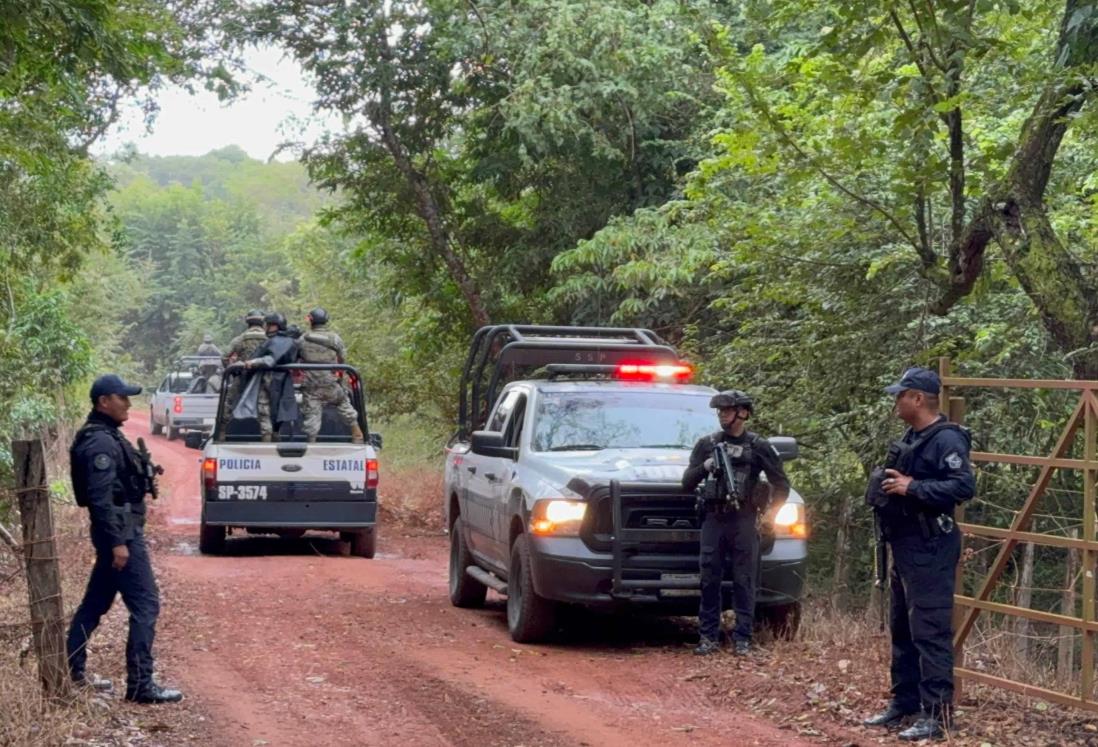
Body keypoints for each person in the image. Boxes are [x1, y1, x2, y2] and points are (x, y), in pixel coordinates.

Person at [862, 367, 975, 741]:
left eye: (901, 395)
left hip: (931, 546)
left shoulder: (947, 440)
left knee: (930, 631)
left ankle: (937, 715)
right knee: (903, 628)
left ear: (918, 399)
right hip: (906, 544)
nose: (896, 402)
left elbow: (962, 486)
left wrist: (913, 487)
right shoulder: (913, 436)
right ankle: (905, 702)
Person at [66, 375, 183, 703]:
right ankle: (141, 685)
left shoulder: (106, 435)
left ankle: (72, 670)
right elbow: (100, 499)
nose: (129, 404)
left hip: (118, 533)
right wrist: (118, 543)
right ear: (104, 401)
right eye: (122, 398)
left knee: (95, 603)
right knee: (146, 606)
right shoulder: (100, 443)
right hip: (121, 536)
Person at [682, 389, 790, 656]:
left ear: (743, 413)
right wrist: (705, 466)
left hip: (744, 518)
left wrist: (769, 516)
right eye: (720, 411)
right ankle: (708, 637)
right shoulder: (707, 444)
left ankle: (743, 638)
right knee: (709, 577)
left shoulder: (758, 446)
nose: (722, 416)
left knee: (744, 579)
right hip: (714, 518)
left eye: (727, 411)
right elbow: (686, 483)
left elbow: (782, 485)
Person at [229, 312, 300, 441]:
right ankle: (275, 436)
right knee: (279, 411)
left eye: (267, 325)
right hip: (283, 382)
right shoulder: (291, 342)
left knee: (264, 411)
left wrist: (251, 363)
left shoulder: (275, 342)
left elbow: (270, 358)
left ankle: (268, 441)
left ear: (274, 326)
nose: (265, 327)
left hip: (268, 379)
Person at [298, 307, 363, 443]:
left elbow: (296, 359)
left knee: (312, 417)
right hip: (331, 384)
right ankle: (357, 435)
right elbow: (342, 358)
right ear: (326, 320)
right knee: (344, 403)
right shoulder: (335, 338)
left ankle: (312, 443)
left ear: (311, 321)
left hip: (312, 387)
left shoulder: (302, 339)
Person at [220, 310, 267, 429]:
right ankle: (269, 435)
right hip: (265, 378)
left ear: (248, 322)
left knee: (228, 402)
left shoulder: (240, 339)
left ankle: (222, 432)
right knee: (267, 404)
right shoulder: (269, 339)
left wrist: (234, 371)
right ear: (263, 322)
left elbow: (224, 357)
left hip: (242, 377)